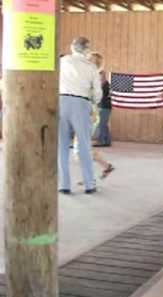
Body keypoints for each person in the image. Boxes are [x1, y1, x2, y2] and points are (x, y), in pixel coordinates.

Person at [58, 37, 101, 195]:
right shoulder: (91, 67)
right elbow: (97, 93)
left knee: (62, 146)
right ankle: (89, 184)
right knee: (83, 145)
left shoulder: (62, 62)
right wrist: (94, 102)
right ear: (87, 49)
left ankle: (64, 185)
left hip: (61, 101)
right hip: (81, 103)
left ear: (72, 47)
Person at [86, 52, 115, 179]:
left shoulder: (98, 82)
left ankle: (91, 177)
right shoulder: (92, 79)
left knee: (81, 147)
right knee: (82, 147)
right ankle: (105, 166)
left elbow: (97, 98)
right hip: (91, 111)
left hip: (93, 112)